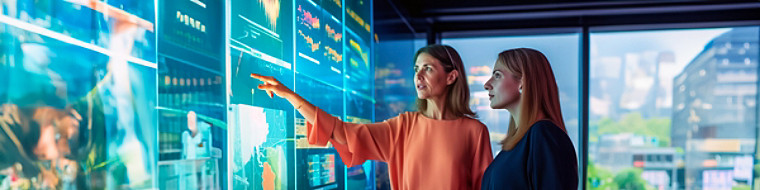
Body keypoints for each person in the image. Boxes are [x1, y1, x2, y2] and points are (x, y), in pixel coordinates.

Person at [251, 44, 493, 189]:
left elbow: (485, 185)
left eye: (428, 69)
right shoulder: (404, 127)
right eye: (416, 69)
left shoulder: (474, 131)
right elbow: (340, 131)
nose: (418, 76)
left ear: (451, 77)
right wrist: (290, 96)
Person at [480, 48, 578, 189]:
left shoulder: (543, 133)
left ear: (522, 82)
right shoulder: (519, 142)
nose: (487, 85)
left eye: (497, 76)